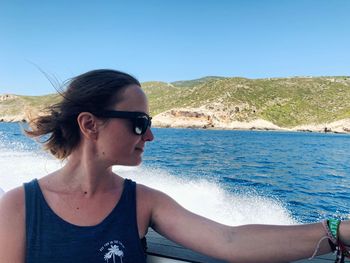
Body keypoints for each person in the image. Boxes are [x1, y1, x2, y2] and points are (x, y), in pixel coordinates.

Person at [0, 69, 349, 263]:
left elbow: (229, 240)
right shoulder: (18, 206)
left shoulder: (143, 203)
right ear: (90, 125)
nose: (150, 135)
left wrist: (335, 230)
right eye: (138, 122)